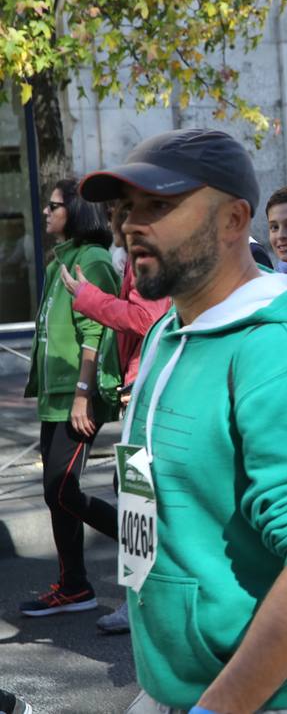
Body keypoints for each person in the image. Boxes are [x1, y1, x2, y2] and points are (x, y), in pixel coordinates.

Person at [80, 128, 287, 712]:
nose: (129, 225)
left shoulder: (282, 351)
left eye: (159, 206)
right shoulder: (173, 331)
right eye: (125, 209)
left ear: (233, 220)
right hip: (184, 683)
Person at [60, 199, 173, 634]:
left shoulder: (154, 257)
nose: (123, 222)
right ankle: (140, 601)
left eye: (131, 212)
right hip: (141, 391)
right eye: (117, 214)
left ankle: (145, 604)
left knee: (140, 498)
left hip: (159, 393)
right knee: (134, 498)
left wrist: (89, 298)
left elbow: (146, 319)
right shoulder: (129, 257)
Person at [20, 180, 120, 618]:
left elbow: (97, 329)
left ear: (77, 211)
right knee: (55, 492)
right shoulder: (60, 260)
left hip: (79, 396)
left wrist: (83, 394)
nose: (46, 211)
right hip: (55, 394)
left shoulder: (94, 260)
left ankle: (152, 542)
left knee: (61, 489)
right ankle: (74, 585)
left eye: (55, 205)